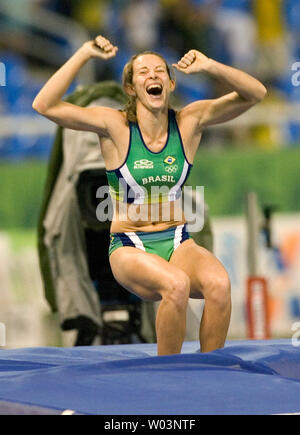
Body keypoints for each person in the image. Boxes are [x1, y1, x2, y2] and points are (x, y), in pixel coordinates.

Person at [32, 35, 267, 355]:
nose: (152, 76)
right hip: (130, 246)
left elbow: (256, 93)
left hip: (178, 241)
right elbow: (44, 105)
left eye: (159, 71)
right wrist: (84, 54)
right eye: (143, 72)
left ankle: (211, 372)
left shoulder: (189, 121)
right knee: (177, 285)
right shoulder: (114, 125)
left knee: (219, 284)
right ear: (130, 88)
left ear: (171, 83)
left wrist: (210, 65)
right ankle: (166, 377)